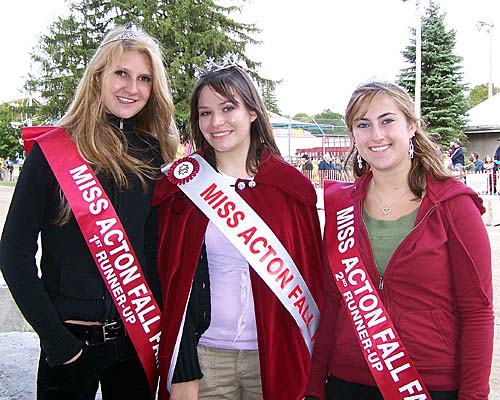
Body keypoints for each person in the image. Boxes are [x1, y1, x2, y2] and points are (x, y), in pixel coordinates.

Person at [0, 25, 179, 400]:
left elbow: (152, 251)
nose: (133, 87)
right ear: (97, 76)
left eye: (144, 78)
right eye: (121, 73)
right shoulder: (51, 153)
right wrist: (54, 337)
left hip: (138, 338)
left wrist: (161, 324)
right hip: (69, 342)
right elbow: (14, 253)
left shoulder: (153, 154)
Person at [305, 81, 493, 400]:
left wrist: (473, 396)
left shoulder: (453, 205)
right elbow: (333, 302)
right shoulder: (341, 207)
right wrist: (313, 387)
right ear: (354, 135)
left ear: (411, 127)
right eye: (363, 125)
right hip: (346, 381)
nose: (376, 135)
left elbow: (477, 312)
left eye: (387, 120)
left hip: (428, 385)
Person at [152, 61, 325, 399]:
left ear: (252, 112)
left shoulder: (290, 189)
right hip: (206, 360)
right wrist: (184, 367)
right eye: (205, 113)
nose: (216, 122)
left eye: (228, 108)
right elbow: (170, 283)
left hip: (274, 357)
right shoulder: (182, 188)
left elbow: (313, 280)